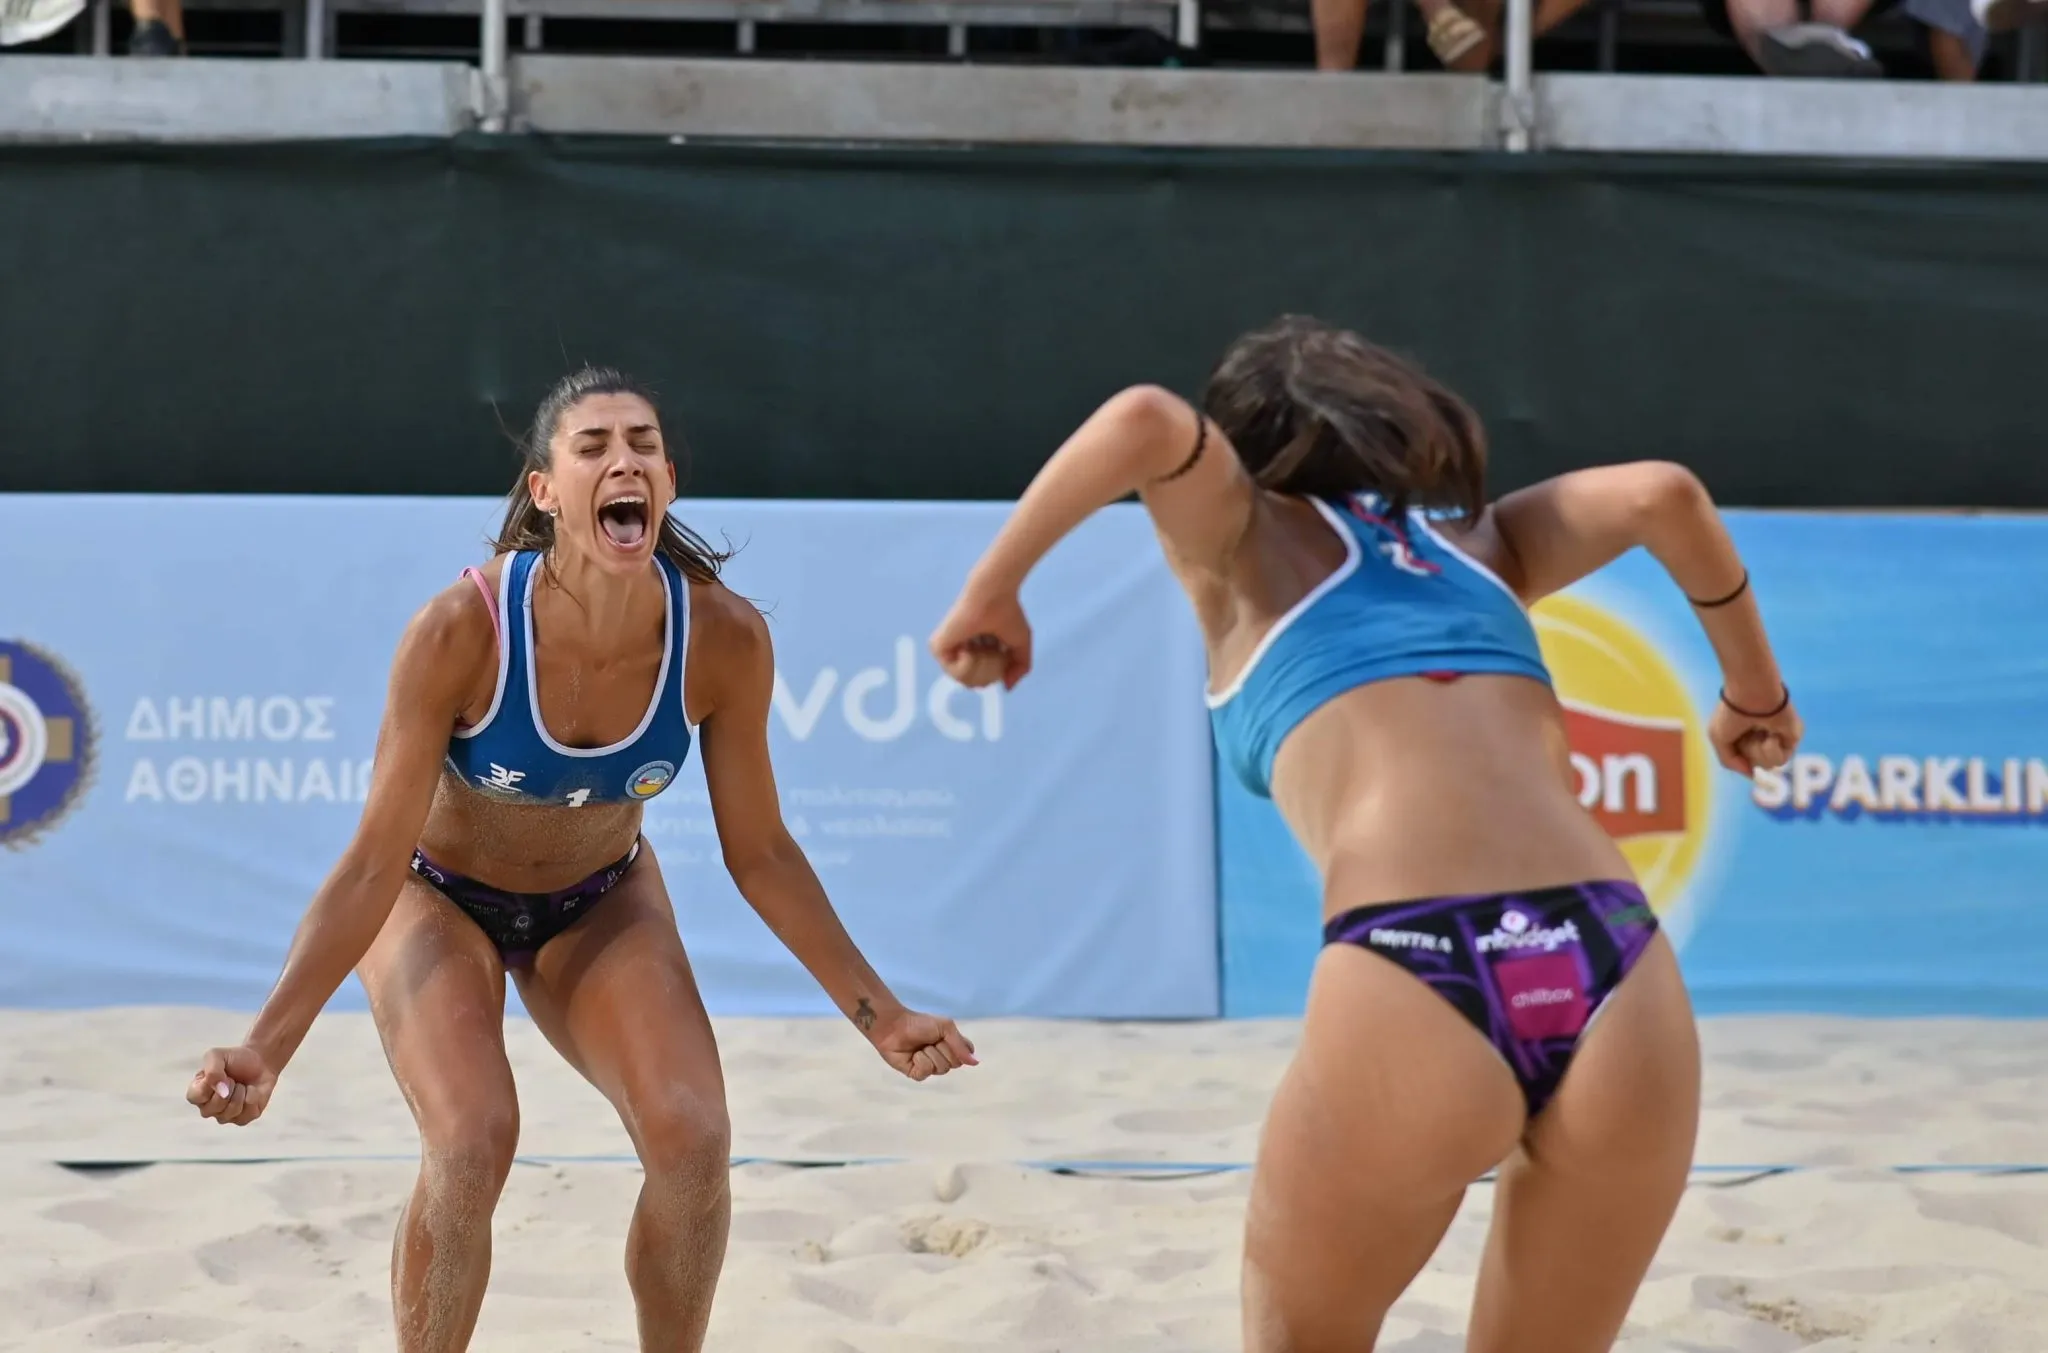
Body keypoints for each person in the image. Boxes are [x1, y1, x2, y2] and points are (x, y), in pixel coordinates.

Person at [930, 315, 1798, 1353]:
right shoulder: (1484, 545)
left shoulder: (1245, 545)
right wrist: (1753, 693)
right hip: (1614, 964)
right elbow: (1663, 493)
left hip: (1419, 963)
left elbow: (1145, 419)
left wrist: (993, 590)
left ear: (1243, 451)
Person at [184, 366, 977, 1353]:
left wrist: (879, 1012)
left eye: (642, 444)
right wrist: (268, 1045)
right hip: (436, 899)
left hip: (599, 900)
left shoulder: (721, 636)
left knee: (694, 1143)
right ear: (545, 492)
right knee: (473, 1142)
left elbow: (762, 852)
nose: (623, 460)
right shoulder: (461, 629)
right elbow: (367, 865)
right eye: (593, 446)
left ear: (668, 484)